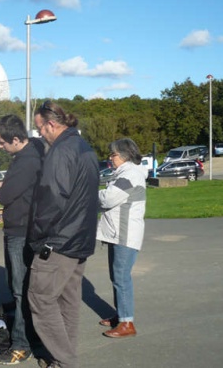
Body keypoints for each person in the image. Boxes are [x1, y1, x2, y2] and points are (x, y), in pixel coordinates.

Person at [28, 101, 99, 368]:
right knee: (68, 302)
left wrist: (37, 238)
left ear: (51, 124)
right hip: (79, 238)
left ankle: (66, 361)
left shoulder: (61, 151)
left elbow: (51, 200)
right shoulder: (84, 147)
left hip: (58, 241)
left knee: (41, 300)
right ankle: (63, 359)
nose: (39, 135)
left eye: (39, 129)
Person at [0, 115, 44, 365]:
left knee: (20, 289)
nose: (0, 147)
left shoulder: (27, 161)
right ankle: (25, 336)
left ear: (15, 139)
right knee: (17, 287)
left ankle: (22, 344)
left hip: (21, 231)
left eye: (2, 143)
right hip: (16, 228)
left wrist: (2, 187)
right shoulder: (25, 157)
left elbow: (6, 194)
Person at [97, 138, 147, 338]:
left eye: (113, 154)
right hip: (119, 233)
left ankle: (127, 323)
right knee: (117, 277)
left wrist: (91, 193)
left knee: (121, 278)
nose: (110, 158)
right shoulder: (126, 173)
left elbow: (109, 198)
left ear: (125, 155)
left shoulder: (130, 174)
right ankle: (121, 315)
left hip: (124, 235)